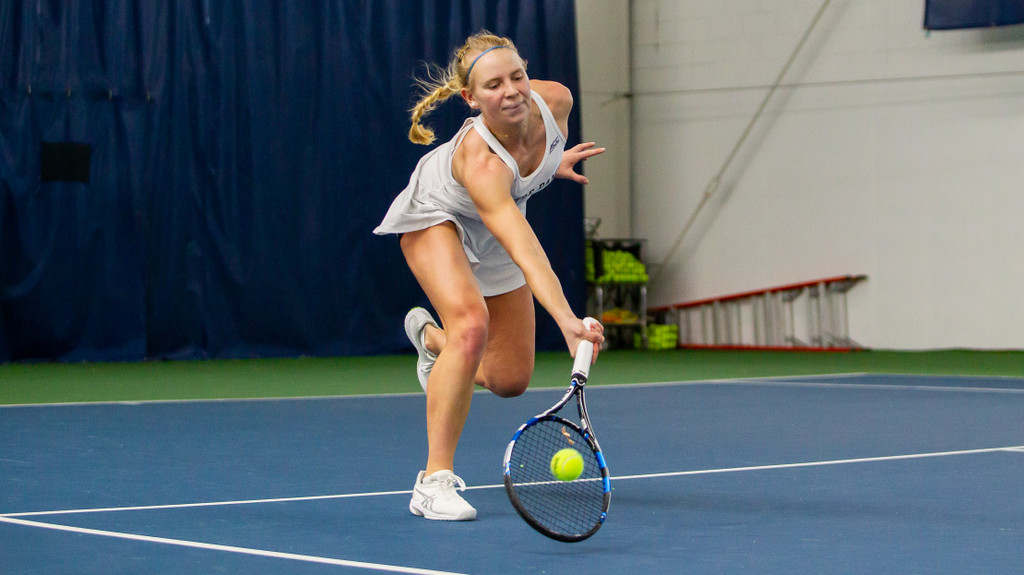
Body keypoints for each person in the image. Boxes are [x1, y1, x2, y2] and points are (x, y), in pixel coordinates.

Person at [373, 30, 605, 521]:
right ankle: (433, 483)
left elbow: (530, 164)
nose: (512, 91)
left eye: (517, 76)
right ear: (470, 99)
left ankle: (434, 343)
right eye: (493, 85)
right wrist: (566, 320)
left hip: (497, 213)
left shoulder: (556, 99)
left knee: (509, 379)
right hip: (437, 214)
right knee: (472, 325)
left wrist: (550, 164)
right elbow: (525, 248)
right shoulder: (480, 163)